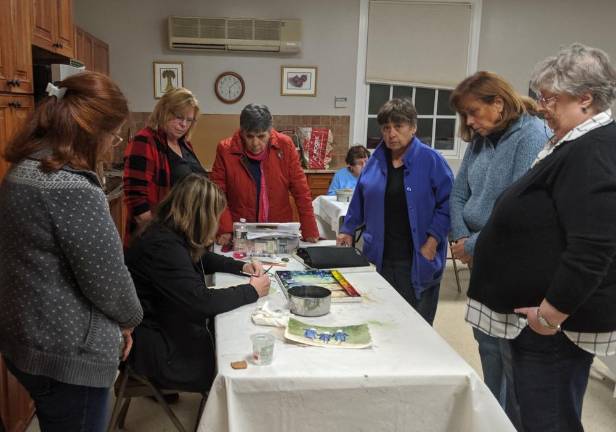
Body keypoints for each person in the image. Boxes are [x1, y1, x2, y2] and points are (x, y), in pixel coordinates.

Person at [466, 43, 616, 432]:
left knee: (549, 421)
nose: (541, 106)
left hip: (553, 331)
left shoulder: (592, 151)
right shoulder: (573, 142)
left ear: (585, 98)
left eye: (549, 98)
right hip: (540, 325)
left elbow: (593, 248)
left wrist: (549, 316)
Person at [0, 72, 143, 432]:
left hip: (27, 342)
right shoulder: (71, 188)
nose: (113, 145)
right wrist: (129, 320)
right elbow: (109, 281)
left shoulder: (24, 170)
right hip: (68, 357)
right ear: (91, 132)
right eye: (113, 135)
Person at [448, 71, 545, 425]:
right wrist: (460, 238)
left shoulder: (532, 136)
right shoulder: (481, 138)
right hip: (480, 256)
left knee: (512, 359)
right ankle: (493, 421)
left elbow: (518, 208)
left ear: (498, 104)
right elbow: (459, 193)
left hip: (511, 260)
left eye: (473, 112)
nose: (469, 122)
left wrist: (472, 244)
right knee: (487, 347)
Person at [124, 174, 270, 392]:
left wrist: (241, 267)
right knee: (237, 356)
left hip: (161, 328)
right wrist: (251, 291)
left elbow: (200, 257)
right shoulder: (163, 247)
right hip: (158, 348)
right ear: (201, 216)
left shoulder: (167, 231)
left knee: (230, 332)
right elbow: (201, 302)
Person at [337, 98, 453, 325]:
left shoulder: (432, 160)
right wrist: (348, 229)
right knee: (381, 322)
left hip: (417, 257)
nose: (391, 134)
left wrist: (432, 241)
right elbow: (360, 198)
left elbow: (448, 204)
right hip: (380, 256)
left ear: (413, 127)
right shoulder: (374, 162)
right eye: (386, 128)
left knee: (415, 327)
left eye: (398, 127)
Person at [211, 104, 319, 245]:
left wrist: (309, 230)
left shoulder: (285, 145)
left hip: (278, 230)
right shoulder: (225, 149)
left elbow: (301, 191)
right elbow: (218, 194)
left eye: (261, 136)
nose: (255, 143)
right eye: (250, 136)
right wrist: (225, 229)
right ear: (242, 133)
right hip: (240, 232)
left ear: (270, 132)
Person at [123, 87, 206, 246]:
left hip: (183, 234)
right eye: (178, 117)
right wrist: (159, 239)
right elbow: (136, 199)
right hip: (156, 239)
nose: (183, 125)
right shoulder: (145, 141)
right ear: (164, 112)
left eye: (189, 120)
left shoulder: (185, 144)